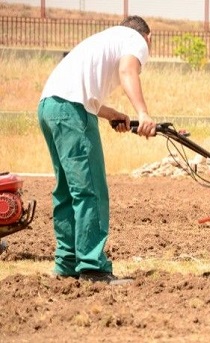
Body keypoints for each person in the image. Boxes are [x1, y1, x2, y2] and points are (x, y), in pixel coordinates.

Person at [37, 16, 156, 284]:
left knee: (68, 190)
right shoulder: (136, 39)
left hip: (49, 107)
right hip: (72, 111)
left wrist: (111, 113)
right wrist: (143, 113)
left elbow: (77, 90)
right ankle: (92, 266)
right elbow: (128, 71)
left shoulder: (104, 39)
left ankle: (67, 263)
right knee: (90, 189)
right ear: (149, 37)